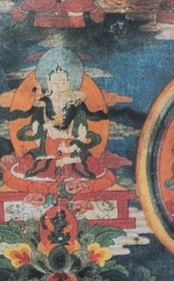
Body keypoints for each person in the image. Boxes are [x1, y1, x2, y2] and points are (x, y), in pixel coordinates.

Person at [11, 51, 112, 185]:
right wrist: (47, 126)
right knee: (29, 164)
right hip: (48, 147)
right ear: (49, 83)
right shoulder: (44, 103)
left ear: (69, 83)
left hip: (71, 146)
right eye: (56, 82)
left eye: (63, 82)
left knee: (91, 165)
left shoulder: (76, 103)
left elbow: (81, 129)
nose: (59, 85)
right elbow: (36, 127)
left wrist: (71, 149)